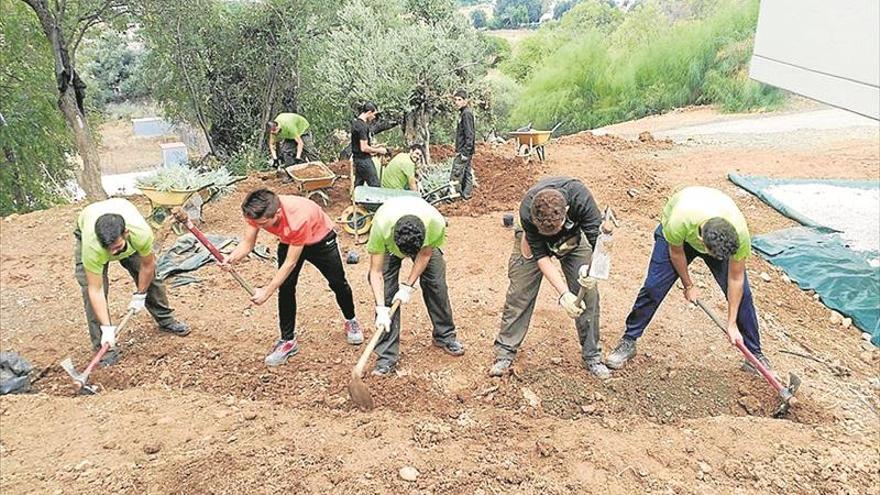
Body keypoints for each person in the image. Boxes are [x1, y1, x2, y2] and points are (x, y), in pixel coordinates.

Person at [606, 186, 770, 373]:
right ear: (701, 242)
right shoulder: (680, 220)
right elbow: (676, 253)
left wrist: (731, 322)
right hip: (677, 238)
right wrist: (688, 285)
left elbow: (736, 277)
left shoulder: (739, 233)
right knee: (653, 288)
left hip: (711, 229)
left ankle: (754, 354)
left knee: (744, 296)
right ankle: (629, 340)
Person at [221, 189, 363, 366]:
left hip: (320, 240)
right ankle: (288, 341)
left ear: (278, 213)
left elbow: (290, 263)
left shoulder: (298, 218)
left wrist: (266, 292)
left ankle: (351, 320)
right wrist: (231, 258)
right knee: (286, 288)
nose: (261, 227)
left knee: (338, 283)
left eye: (264, 224)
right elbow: (248, 243)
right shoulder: (256, 213)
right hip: (289, 240)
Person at [490, 177, 612, 379]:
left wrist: (592, 270)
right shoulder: (528, 210)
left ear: (566, 212)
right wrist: (565, 295)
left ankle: (592, 356)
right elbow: (541, 257)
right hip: (532, 239)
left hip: (572, 238)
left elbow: (599, 245)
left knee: (589, 295)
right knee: (520, 292)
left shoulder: (581, 199)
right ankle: (505, 352)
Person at [74, 198, 190, 366]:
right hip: (88, 224)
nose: (113, 253)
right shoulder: (92, 247)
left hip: (126, 230)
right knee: (89, 292)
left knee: (151, 279)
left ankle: (166, 319)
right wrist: (107, 329)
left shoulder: (140, 234)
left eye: (117, 248)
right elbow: (95, 290)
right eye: (109, 249)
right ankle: (104, 346)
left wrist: (140, 294)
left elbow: (147, 265)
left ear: (126, 234)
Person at [366, 196, 464, 376]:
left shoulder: (435, 224)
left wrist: (407, 286)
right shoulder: (381, 226)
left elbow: (425, 255)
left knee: (436, 284)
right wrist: (381, 308)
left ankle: (445, 336)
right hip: (388, 243)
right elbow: (376, 272)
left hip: (424, 246)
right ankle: (386, 356)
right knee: (387, 294)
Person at [351, 102, 388, 187]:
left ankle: (355, 199)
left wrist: (376, 147)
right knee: (375, 185)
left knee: (358, 185)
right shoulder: (362, 126)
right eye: (374, 114)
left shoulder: (356, 123)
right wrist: (379, 150)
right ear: (369, 112)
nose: (374, 117)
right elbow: (364, 148)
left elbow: (360, 145)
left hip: (357, 159)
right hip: (364, 161)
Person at [449, 89, 475, 199]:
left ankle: (455, 196)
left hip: (464, 151)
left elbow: (470, 135)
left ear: (466, 101)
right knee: (467, 172)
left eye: (459, 100)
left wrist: (465, 152)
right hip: (466, 150)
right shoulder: (464, 113)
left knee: (456, 173)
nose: (457, 102)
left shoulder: (466, 114)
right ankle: (467, 195)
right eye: (455, 100)